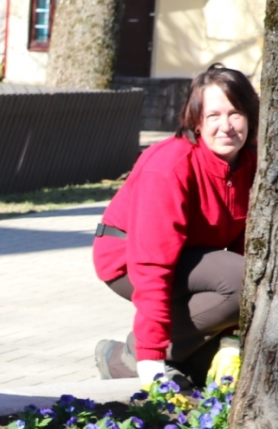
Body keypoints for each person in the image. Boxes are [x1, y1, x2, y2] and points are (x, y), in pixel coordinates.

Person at [92, 64, 259, 388]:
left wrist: (230, 337)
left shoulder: (252, 163)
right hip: (129, 259)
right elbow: (152, 264)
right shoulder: (169, 165)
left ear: (250, 117)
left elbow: (248, 246)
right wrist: (151, 357)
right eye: (213, 116)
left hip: (191, 255)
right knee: (244, 280)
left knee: (204, 366)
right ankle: (130, 354)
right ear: (196, 121)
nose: (225, 126)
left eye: (235, 113)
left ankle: (173, 356)